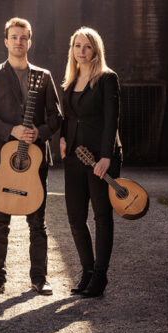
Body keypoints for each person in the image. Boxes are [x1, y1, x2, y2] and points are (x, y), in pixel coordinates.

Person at [0, 17, 62, 295]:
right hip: (3, 157)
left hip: (34, 158)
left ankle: (40, 278)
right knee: (0, 221)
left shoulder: (44, 75)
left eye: (23, 37)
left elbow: (56, 117)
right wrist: (10, 130)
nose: (18, 42)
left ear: (29, 41)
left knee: (37, 222)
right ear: (6, 41)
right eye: (14, 37)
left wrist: (41, 132)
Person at [59, 27, 122, 298]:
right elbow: (69, 117)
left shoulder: (107, 79)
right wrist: (62, 138)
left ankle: (100, 275)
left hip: (101, 157)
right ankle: (86, 271)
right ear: (72, 50)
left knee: (102, 216)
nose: (81, 51)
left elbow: (112, 119)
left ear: (96, 50)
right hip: (74, 155)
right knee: (75, 218)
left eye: (86, 46)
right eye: (77, 46)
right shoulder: (70, 81)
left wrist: (107, 156)